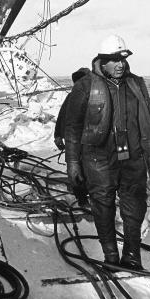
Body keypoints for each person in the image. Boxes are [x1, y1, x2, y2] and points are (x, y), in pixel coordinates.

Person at [64, 35, 150, 270]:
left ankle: (132, 255)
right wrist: (73, 162)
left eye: (123, 60)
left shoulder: (136, 84)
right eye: (115, 60)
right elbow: (73, 128)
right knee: (102, 205)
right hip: (98, 159)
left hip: (132, 157)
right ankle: (110, 256)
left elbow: (147, 121)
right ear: (103, 61)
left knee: (134, 206)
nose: (121, 65)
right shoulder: (85, 86)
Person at [54, 68, 92, 207]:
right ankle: (82, 199)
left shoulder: (92, 95)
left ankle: (87, 196)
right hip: (77, 142)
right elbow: (62, 116)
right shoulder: (72, 97)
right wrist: (58, 135)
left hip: (89, 142)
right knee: (78, 171)